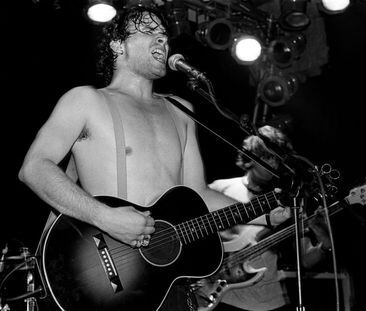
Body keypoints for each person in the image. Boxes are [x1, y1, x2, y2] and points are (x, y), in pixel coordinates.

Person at [18, 6, 290, 311]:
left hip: (169, 283)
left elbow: (199, 194)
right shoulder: (86, 101)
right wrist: (105, 217)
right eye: (149, 32)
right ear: (117, 44)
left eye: (164, 35)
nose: (162, 40)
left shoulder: (180, 111)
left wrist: (262, 213)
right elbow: (34, 168)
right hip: (110, 275)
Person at [196, 125, 332, 311]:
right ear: (251, 157)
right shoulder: (220, 189)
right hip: (219, 298)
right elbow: (192, 234)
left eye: (278, 160)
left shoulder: (288, 201)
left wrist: (325, 242)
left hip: (267, 302)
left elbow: (306, 260)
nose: (275, 165)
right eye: (269, 157)